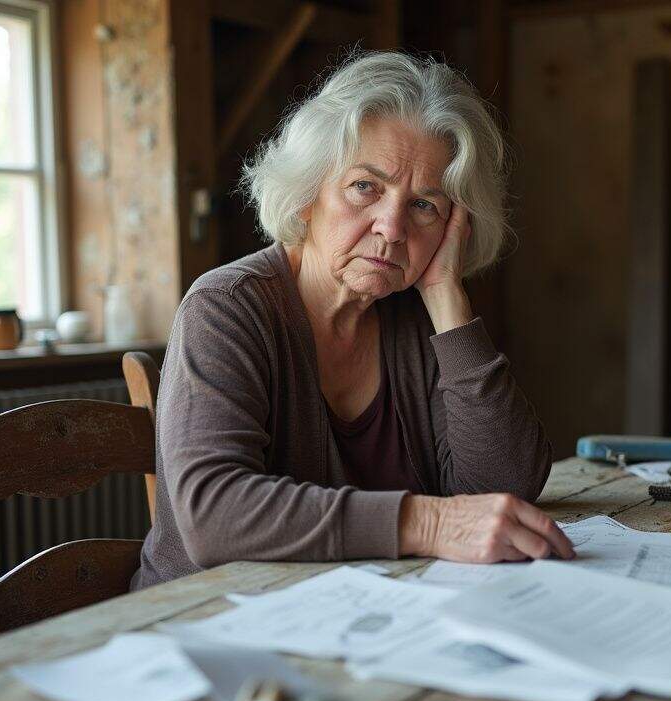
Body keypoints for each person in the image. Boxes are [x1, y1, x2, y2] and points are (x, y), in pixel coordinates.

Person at [133, 51, 574, 589]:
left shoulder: (414, 316)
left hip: (358, 616)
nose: (391, 228)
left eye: (424, 206)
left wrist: (445, 296)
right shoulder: (227, 306)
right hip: (204, 624)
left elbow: (506, 486)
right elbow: (214, 517)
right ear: (307, 195)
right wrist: (429, 522)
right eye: (365, 187)